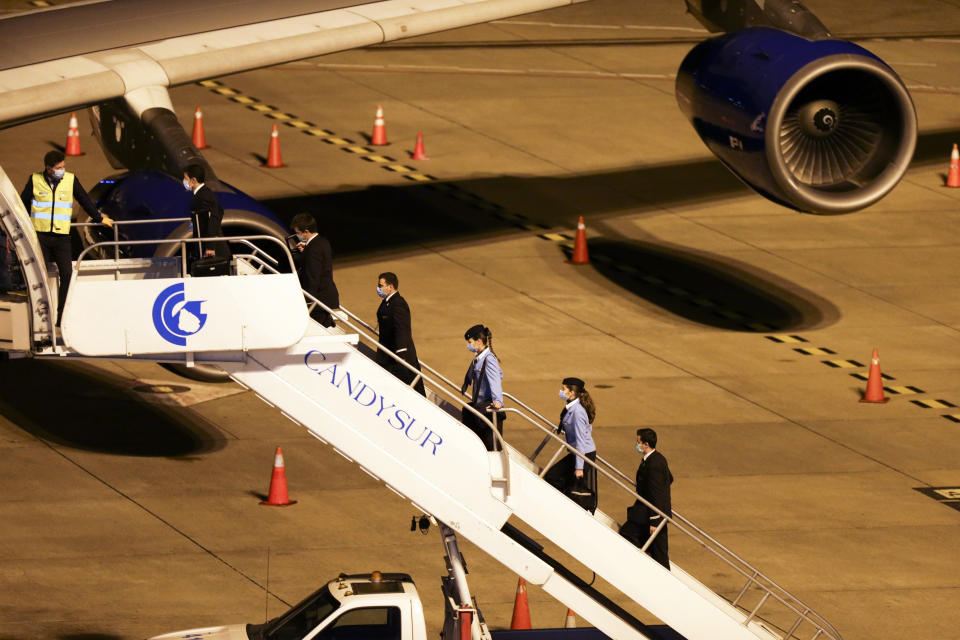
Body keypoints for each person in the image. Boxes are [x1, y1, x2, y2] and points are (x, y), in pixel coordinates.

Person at [20, 149, 113, 324]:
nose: (62, 169)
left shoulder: (70, 180)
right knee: (38, 275)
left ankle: (61, 316)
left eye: (63, 166)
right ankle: (40, 315)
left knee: (67, 274)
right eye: (58, 167)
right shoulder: (35, 180)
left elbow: (84, 200)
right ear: (48, 169)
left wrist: (99, 218)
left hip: (62, 237)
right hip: (40, 237)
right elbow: (22, 204)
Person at [619, 428, 673, 569]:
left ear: (646, 444)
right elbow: (669, 478)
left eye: (638, 442)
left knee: (628, 534)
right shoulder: (657, 458)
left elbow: (657, 494)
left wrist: (655, 521)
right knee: (659, 553)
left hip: (653, 515)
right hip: (649, 512)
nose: (637, 445)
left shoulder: (654, 464)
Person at [543, 377, 598, 513]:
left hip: (583, 455)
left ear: (572, 393)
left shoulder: (578, 412)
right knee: (560, 479)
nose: (561, 392)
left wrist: (579, 467)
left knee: (553, 477)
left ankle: (568, 507)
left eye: (564, 389)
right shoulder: (572, 407)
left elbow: (580, 442)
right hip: (578, 453)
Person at [375, 272, 425, 395]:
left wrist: (401, 356)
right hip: (388, 355)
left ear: (390, 287)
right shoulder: (387, 302)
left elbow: (401, 330)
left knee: (409, 392)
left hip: (399, 358)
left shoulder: (398, 304)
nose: (378, 288)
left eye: (380, 285)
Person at [459, 324, 504, 451]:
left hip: (488, 409)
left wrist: (498, 401)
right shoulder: (479, 359)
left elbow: (495, 379)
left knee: (491, 448)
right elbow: (499, 373)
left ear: (479, 341)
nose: (468, 345)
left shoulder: (489, 359)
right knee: (467, 411)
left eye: (470, 342)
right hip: (479, 406)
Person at [291, 212, 339, 327]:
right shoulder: (322, 241)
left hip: (318, 299)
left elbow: (312, 277)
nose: (297, 236)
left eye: (298, 233)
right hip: (326, 297)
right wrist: (305, 252)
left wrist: (307, 301)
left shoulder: (313, 249)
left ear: (306, 232)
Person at [183, 163, 228, 260]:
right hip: (202, 243)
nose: (184, 181)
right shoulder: (202, 193)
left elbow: (215, 216)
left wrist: (210, 246)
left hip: (210, 249)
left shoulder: (204, 196)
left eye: (186, 179)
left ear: (193, 180)